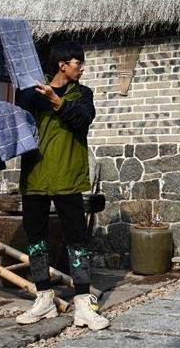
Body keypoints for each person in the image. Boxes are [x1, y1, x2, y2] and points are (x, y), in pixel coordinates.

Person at [14, 42, 109, 330]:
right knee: (36, 239)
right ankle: (44, 299)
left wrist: (56, 100)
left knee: (77, 239)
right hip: (35, 176)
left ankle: (83, 305)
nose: (82, 68)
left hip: (68, 176)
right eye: (78, 62)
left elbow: (83, 119)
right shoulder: (30, 94)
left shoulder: (83, 94)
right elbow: (17, 123)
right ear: (62, 65)